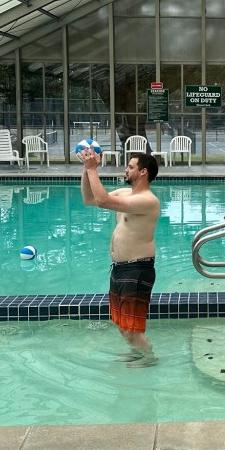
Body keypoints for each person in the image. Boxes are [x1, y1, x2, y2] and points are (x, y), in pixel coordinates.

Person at [80, 146, 161, 367]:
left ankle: (149, 359)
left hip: (137, 269)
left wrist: (92, 169)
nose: (126, 170)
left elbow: (103, 200)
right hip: (120, 269)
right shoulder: (126, 194)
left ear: (143, 172)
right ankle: (139, 353)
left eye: (130, 167)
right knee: (122, 325)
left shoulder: (148, 200)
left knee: (130, 327)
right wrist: (86, 169)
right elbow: (91, 198)